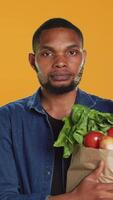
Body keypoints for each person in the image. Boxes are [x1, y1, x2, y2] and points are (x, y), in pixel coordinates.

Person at [0, 18, 113, 200]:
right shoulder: (7, 119)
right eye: (47, 53)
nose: (60, 62)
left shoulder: (109, 112)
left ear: (84, 58)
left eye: (72, 52)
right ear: (32, 61)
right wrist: (75, 198)